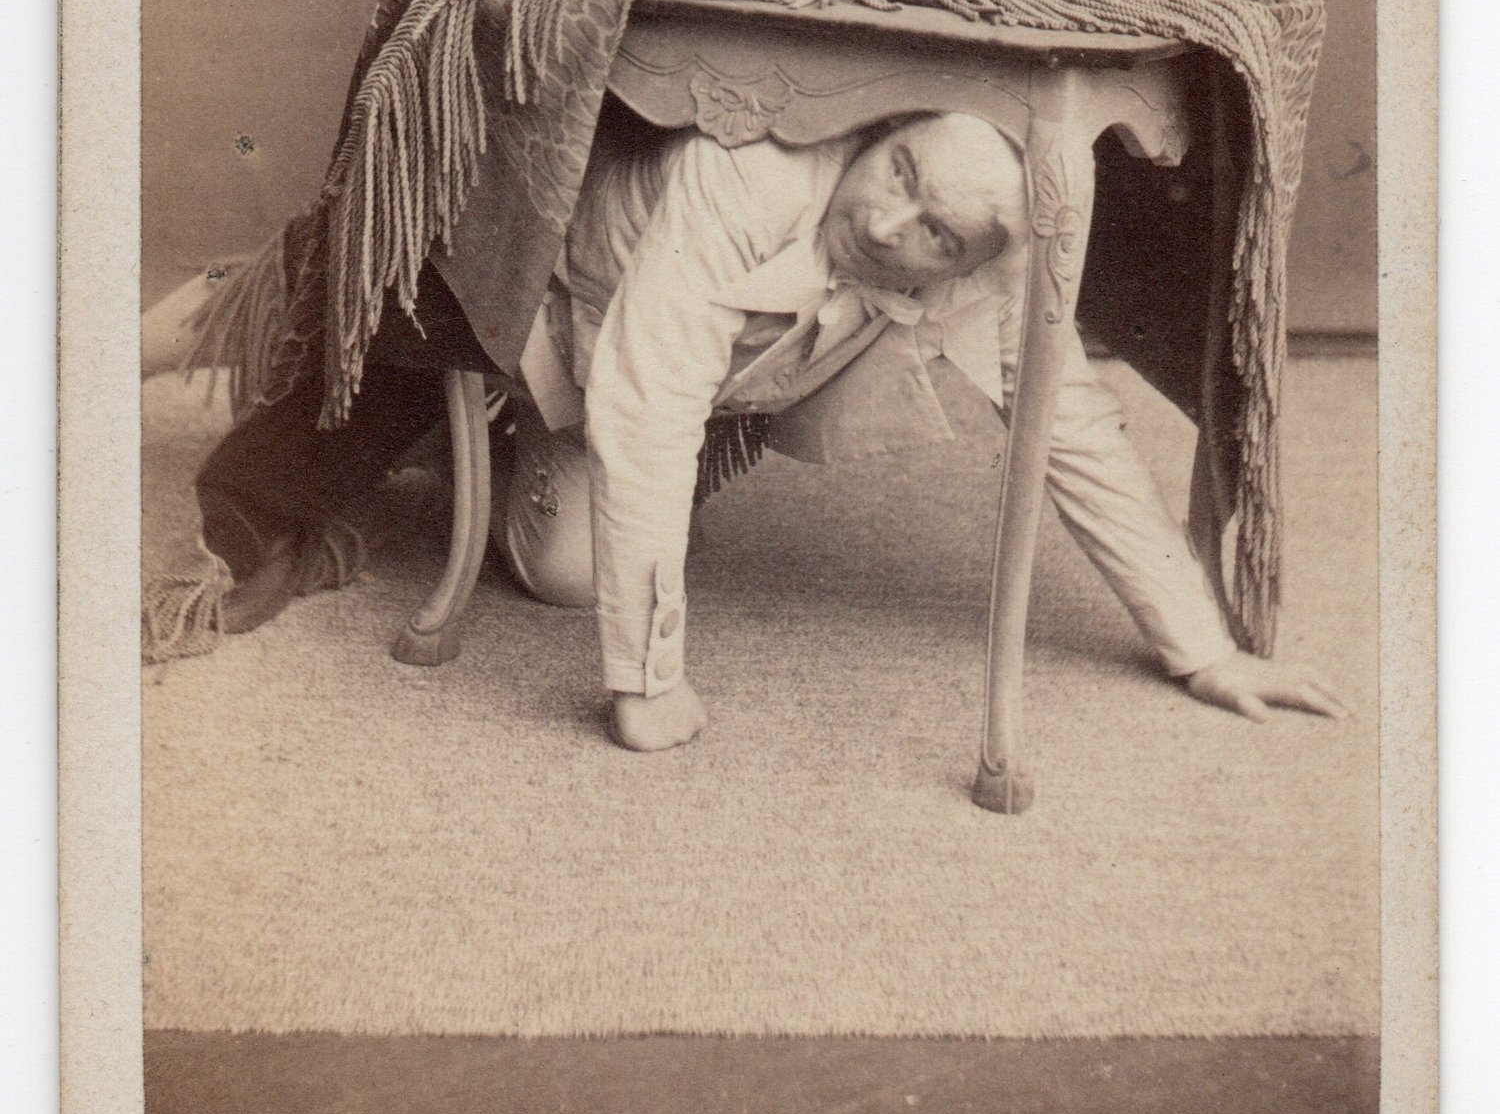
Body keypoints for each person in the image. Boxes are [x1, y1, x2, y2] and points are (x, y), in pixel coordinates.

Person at [147, 112, 1346, 751]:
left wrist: (1202, 649)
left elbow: (1073, 435)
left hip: (619, 376)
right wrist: (644, 680)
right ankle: (253, 293)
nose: (892, 224)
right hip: (529, 287)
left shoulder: (987, 279)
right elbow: (657, 403)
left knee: (564, 575)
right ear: (881, 135)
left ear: (978, 260)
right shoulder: (747, 176)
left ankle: (491, 446)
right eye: (899, 174)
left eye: (938, 235)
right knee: (345, 310)